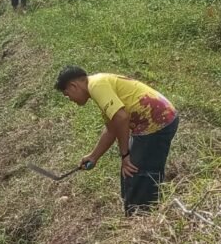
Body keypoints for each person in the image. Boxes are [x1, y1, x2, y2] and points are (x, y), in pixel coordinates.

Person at [55, 66, 178, 215]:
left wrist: (125, 155)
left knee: (138, 174)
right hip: (152, 121)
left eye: (67, 95)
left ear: (73, 86)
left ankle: (142, 217)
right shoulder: (98, 85)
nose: (70, 99)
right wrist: (94, 156)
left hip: (157, 121)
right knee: (131, 173)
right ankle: (134, 214)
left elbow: (122, 118)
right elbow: (112, 129)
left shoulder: (96, 85)